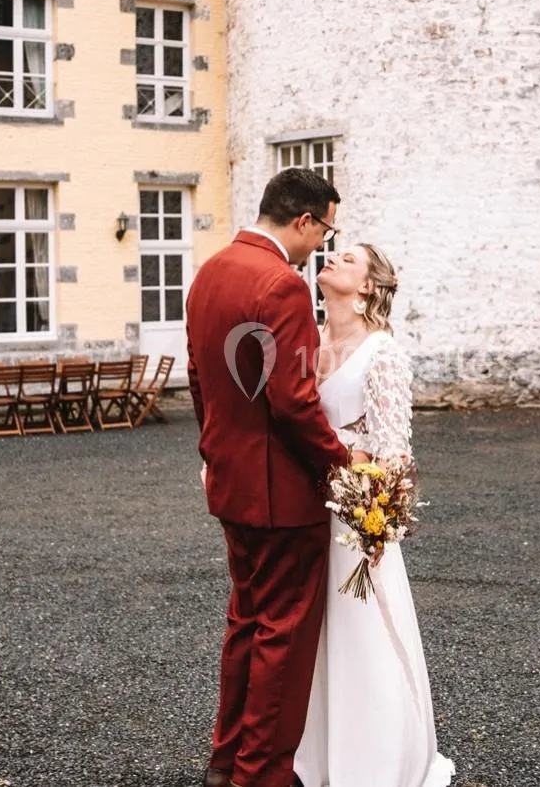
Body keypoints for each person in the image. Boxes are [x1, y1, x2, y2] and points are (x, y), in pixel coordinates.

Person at [186, 168, 350, 787]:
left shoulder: (210, 271)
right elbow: (293, 401)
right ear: (303, 220)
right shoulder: (280, 284)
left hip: (232, 483)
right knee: (284, 636)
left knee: (247, 622)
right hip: (282, 494)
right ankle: (261, 775)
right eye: (325, 230)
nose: (323, 244)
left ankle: (226, 760)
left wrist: (215, 452)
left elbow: (200, 379)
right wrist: (343, 468)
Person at [292, 243, 455, 787]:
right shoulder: (308, 342)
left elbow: (393, 451)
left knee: (361, 630)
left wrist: (374, 518)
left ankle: (376, 762)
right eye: (332, 254)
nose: (332, 260)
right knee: (312, 632)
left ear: (367, 286)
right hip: (304, 506)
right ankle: (315, 755)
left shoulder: (383, 353)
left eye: (348, 260)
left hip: (354, 515)